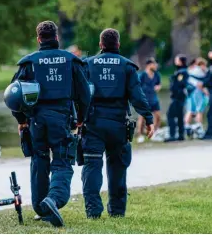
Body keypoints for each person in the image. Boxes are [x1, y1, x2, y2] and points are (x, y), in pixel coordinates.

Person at [9, 21, 91, 227]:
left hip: (36, 120)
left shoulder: (29, 63)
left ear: (38, 39)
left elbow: (12, 95)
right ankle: (53, 200)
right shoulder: (71, 61)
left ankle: (41, 208)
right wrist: (81, 118)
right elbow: (84, 95)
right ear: (57, 38)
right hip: (62, 118)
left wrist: (22, 121)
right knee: (63, 161)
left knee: (39, 160)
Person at [82, 28, 154, 219]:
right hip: (118, 125)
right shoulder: (127, 66)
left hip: (93, 124)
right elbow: (138, 96)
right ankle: (117, 211)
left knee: (92, 167)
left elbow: (79, 96)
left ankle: (93, 212)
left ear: (100, 45)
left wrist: (76, 120)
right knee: (118, 168)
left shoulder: (87, 64)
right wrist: (148, 119)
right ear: (118, 45)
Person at [166, 55, 192, 142]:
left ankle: (172, 135)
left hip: (177, 97)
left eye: (176, 60)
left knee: (170, 115)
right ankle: (181, 134)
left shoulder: (181, 72)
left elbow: (179, 84)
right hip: (181, 97)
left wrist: (173, 81)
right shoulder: (182, 71)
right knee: (180, 116)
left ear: (180, 62)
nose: (175, 61)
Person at [136, 57, 161, 143]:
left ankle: (153, 133)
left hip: (154, 99)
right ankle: (140, 135)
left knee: (158, 116)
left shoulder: (157, 74)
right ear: (149, 65)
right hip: (144, 100)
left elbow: (158, 84)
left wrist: (158, 87)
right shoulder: (142, 75)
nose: (156, 65)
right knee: (142, 118)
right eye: (154, 64)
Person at [185, 58, 208, 138]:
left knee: (190, 110)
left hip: (190, 93)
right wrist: (205, 91)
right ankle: (199, 126)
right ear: (201, 65)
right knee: (199, 110)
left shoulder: (191, 70)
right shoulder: (199, 71)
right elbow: (200, 84)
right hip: (197, 92)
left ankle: (186, 126)